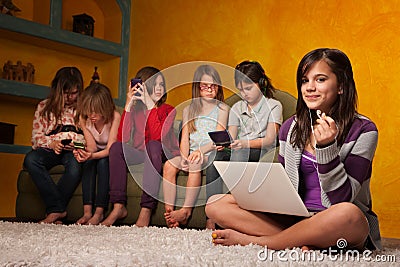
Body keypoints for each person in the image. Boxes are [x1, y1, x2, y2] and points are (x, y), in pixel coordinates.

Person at [206, 48, 381, 251]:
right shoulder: (290, 128)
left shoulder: (364, 130)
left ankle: (264, 242)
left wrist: (326, 148)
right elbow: (287, 187)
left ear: (341, 86)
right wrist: (263, 197)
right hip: (294, 218)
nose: (309, 88)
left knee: (349, 215)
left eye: (320, 79)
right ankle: (304, 241)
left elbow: (342, 198)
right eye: (305, 80)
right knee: (216, 203)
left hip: (336, 221)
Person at [205, 61, 283, 229]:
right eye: (240, 90)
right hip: (239, 148)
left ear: (261, 83)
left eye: (248, 88)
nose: (244, 93)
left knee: (241, 153)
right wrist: (224, 144)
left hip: (261, 150)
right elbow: (232, 138)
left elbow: (270, 140)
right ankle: (211, 216)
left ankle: (236, 211)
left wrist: (244, 143)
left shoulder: (274, 105)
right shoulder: (236, 107)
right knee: (215, 157)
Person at [101, 66, 178, 227]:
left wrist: (151, 106)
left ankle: (146, 209)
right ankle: (118, 206)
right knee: (116, 148)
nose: (159, 88)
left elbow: (158, 137)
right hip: (141, 152)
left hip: (161, 151)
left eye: (161, 85)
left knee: (153, 145)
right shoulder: (135, 110)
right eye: (154, 84)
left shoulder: (168, 110)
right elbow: (122, 137)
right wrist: (128, 105)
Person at [163, 65, 229, 228]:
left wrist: (200, 152)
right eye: (205, 85)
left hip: (208, 152)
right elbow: (185, 137)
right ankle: (169, 213)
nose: (209, 89)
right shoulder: (189, 110)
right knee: (169, 165)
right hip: (191, 153)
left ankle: (185, 212)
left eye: (213, 85)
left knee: (195, 163)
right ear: (197, 88)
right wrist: (184, 157)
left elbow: (218, 138)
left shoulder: (223, 109)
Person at [23, 66, 84, 224]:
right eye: (66, 93)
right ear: (57, 90)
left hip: (72, 150)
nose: (70, 97)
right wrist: (53, 143)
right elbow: (36, 139)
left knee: (75, 167)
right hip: (49, 149)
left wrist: (75, 143)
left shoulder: (83, 109)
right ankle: (58, 209)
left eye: (74, 93)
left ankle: (55, 211)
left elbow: (90, 137)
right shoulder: (44, 107)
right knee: (31, 159)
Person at [73, 83, 121, 225]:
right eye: (89, 111)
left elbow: (110, 149)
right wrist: (84, 153)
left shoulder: (114, 117)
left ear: (105, 108)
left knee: (102, 162)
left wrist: (92, 156)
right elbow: (92, 147)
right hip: (96, 152)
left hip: (111, 153)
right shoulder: (84, 118)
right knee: (88, 162)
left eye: (96, 111)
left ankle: (99, 212)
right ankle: (87, 212)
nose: (92, 115)